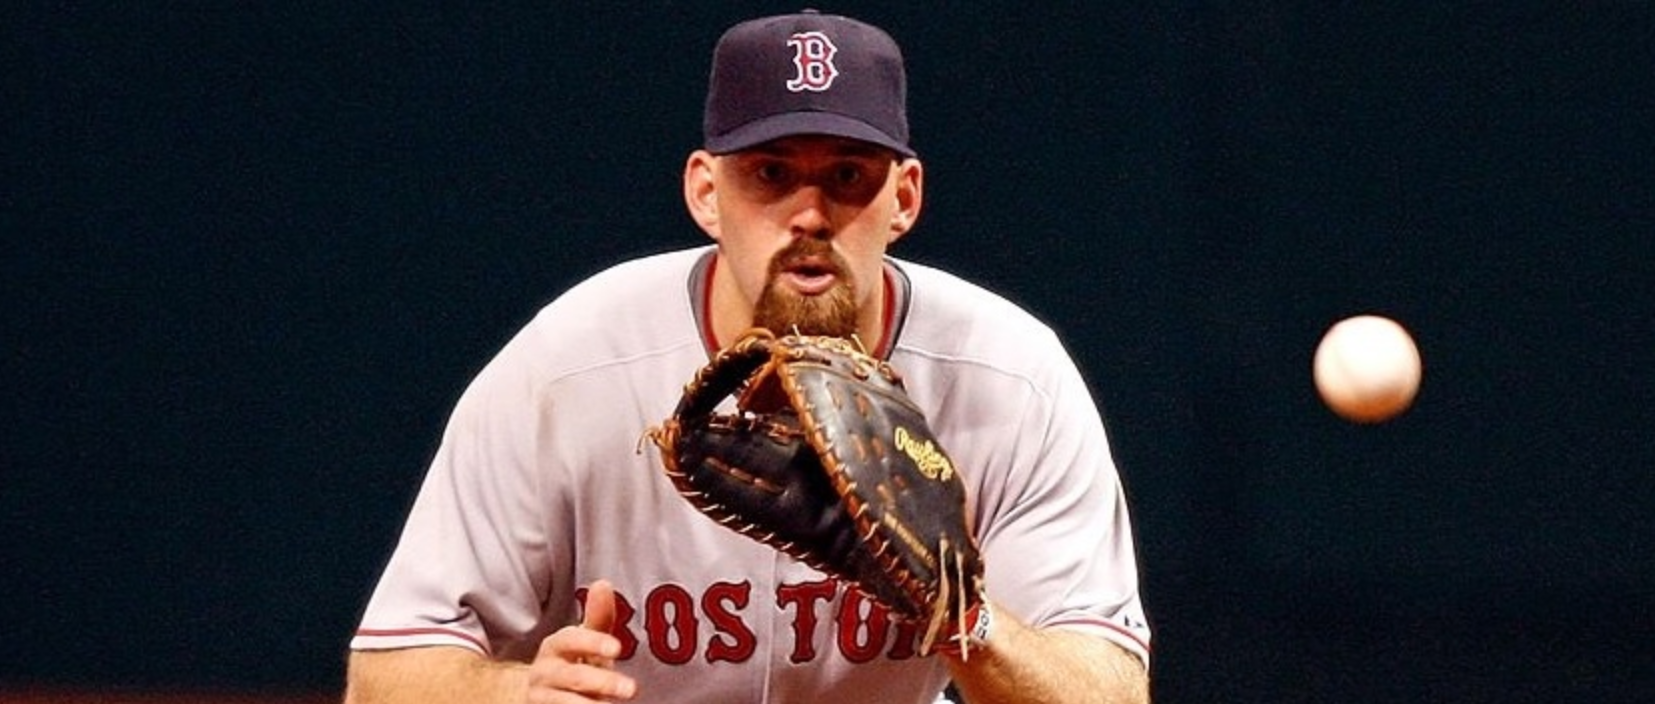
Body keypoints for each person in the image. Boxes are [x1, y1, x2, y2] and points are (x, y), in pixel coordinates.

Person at [343, 10, 1150, 703]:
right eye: (770, 173)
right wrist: (516, 693)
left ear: (904, 197)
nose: (810, 214)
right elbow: (382, 677)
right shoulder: (568, 368)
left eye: (847, 175)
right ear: (705, 191)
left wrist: (959, 615)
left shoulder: (1011, 378)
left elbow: (1110, 689)